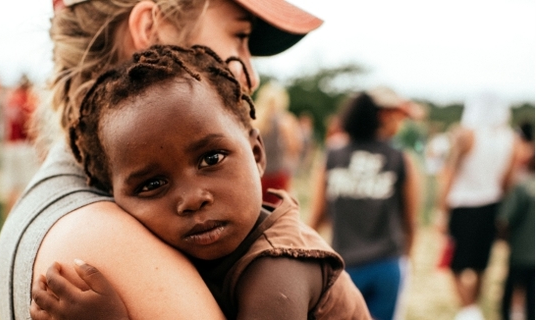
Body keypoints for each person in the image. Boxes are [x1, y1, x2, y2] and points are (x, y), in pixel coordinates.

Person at [0, 0, 325, 319]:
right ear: (151, 30)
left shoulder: (58, 194)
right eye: (239, 37)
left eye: (210, 159)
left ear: (257, 152)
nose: (251, 77)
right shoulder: (96, 237)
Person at [30, 44, 370, 320]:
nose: (192, 199)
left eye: (211, 159)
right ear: (111, 197)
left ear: (256, 152)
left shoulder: (277, 268)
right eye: (152, 184)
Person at [308, 87, 421, 320]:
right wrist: (405, 259)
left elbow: (318, 215)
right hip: (386, 264)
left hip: (342, 265)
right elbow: (410, 220)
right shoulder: (399, 158)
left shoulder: (332, 156)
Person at [435, 91, 519, 320]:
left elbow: (449, 174)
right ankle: (473, 307)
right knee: (482, 262)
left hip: (463, 205)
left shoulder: (467, 135)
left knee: (454, 262)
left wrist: (440, 211)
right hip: (491, 204)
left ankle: (468, 309)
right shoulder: (510, 139)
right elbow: (507, 180)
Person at [497, 122, 534, 320]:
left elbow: (504, 219)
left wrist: (502, 236)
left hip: (521, 253)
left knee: (512, 292)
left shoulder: (524, 188)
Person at [252, 81, 304, 204]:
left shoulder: (254, 119)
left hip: (257, 174)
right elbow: (295, 148)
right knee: (276, 212)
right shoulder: (286, 120)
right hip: (278, 173)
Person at [0, 74, 39, 218]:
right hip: (24, 147)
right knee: (27, 187)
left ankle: (8, 223)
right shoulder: (28, 101)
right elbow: (30, 126)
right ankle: (23, 220)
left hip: (9, 146)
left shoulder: (9, 100)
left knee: (11, 187)